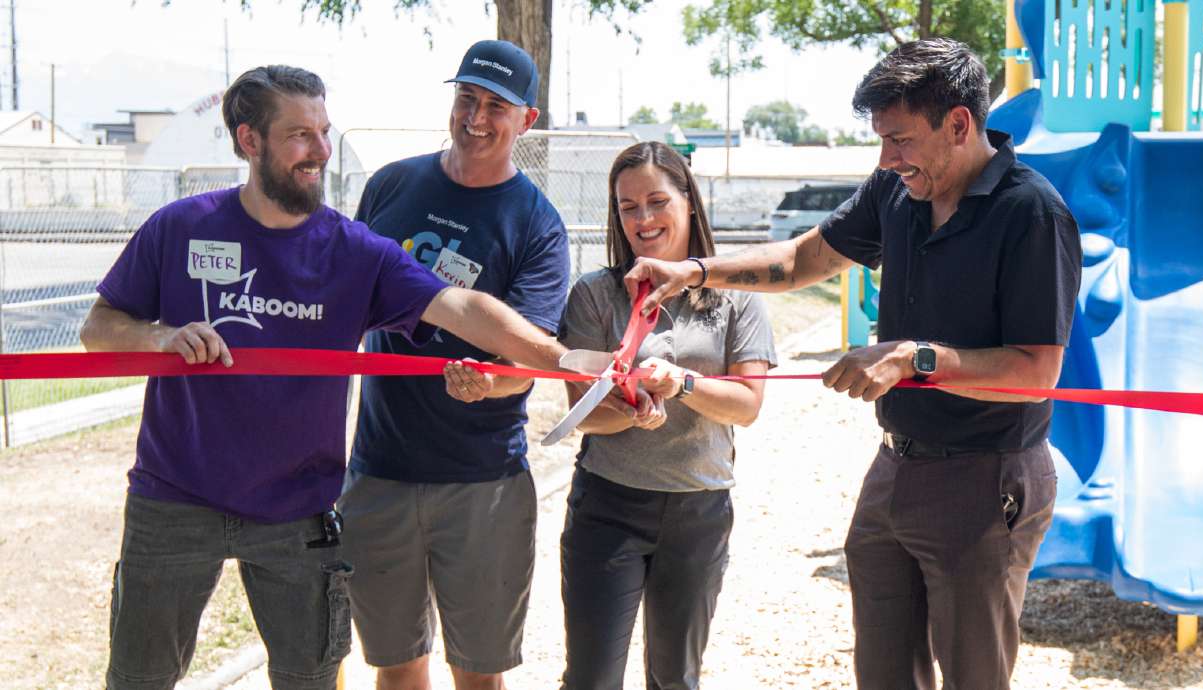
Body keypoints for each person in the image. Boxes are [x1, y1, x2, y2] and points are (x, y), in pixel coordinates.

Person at [81, 65, 567, 690]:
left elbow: (463, 307)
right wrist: (159, 338)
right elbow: (100, 327)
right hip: (173, 496)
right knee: (138, 678)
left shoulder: (354, 250)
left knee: (310, 679)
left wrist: (562, 359)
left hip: (296, 508)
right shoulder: (180, 227)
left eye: (325, 132)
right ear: (248, 140)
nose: (320, 151)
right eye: (300, 135)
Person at [624, 39, 1081, 690]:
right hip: (895, 468)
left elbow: (1038, 372)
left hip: (987, 478)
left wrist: (914, 359)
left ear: (959, 124)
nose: (886, 159)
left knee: (975, 678)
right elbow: (800, 262)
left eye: (899, 140)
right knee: (883, 674)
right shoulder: (896, 190)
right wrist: (694, 270)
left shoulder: (1031, 213)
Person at [336, 40, 570, 690]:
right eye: (466, 97)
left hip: (482, 485)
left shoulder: (536, 225)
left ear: (527, 120)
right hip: (381, 474)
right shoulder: (392, 185)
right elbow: (347, 300)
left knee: (479, 674)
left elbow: (532, 359)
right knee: (396, 668)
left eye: (496, 105)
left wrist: (494, 382)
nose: (475, 117)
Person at [555, 141, 775, 690]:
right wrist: (631, 412)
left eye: (657, 200)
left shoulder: (736, 296)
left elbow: (747, 404)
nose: (643, 218)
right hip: (608, 506)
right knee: (590, 680)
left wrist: (682, 384)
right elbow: (583, 415)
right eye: (627, 207)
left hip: (699, 512)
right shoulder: (596, 294)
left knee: (676, 679)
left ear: (690, 203)